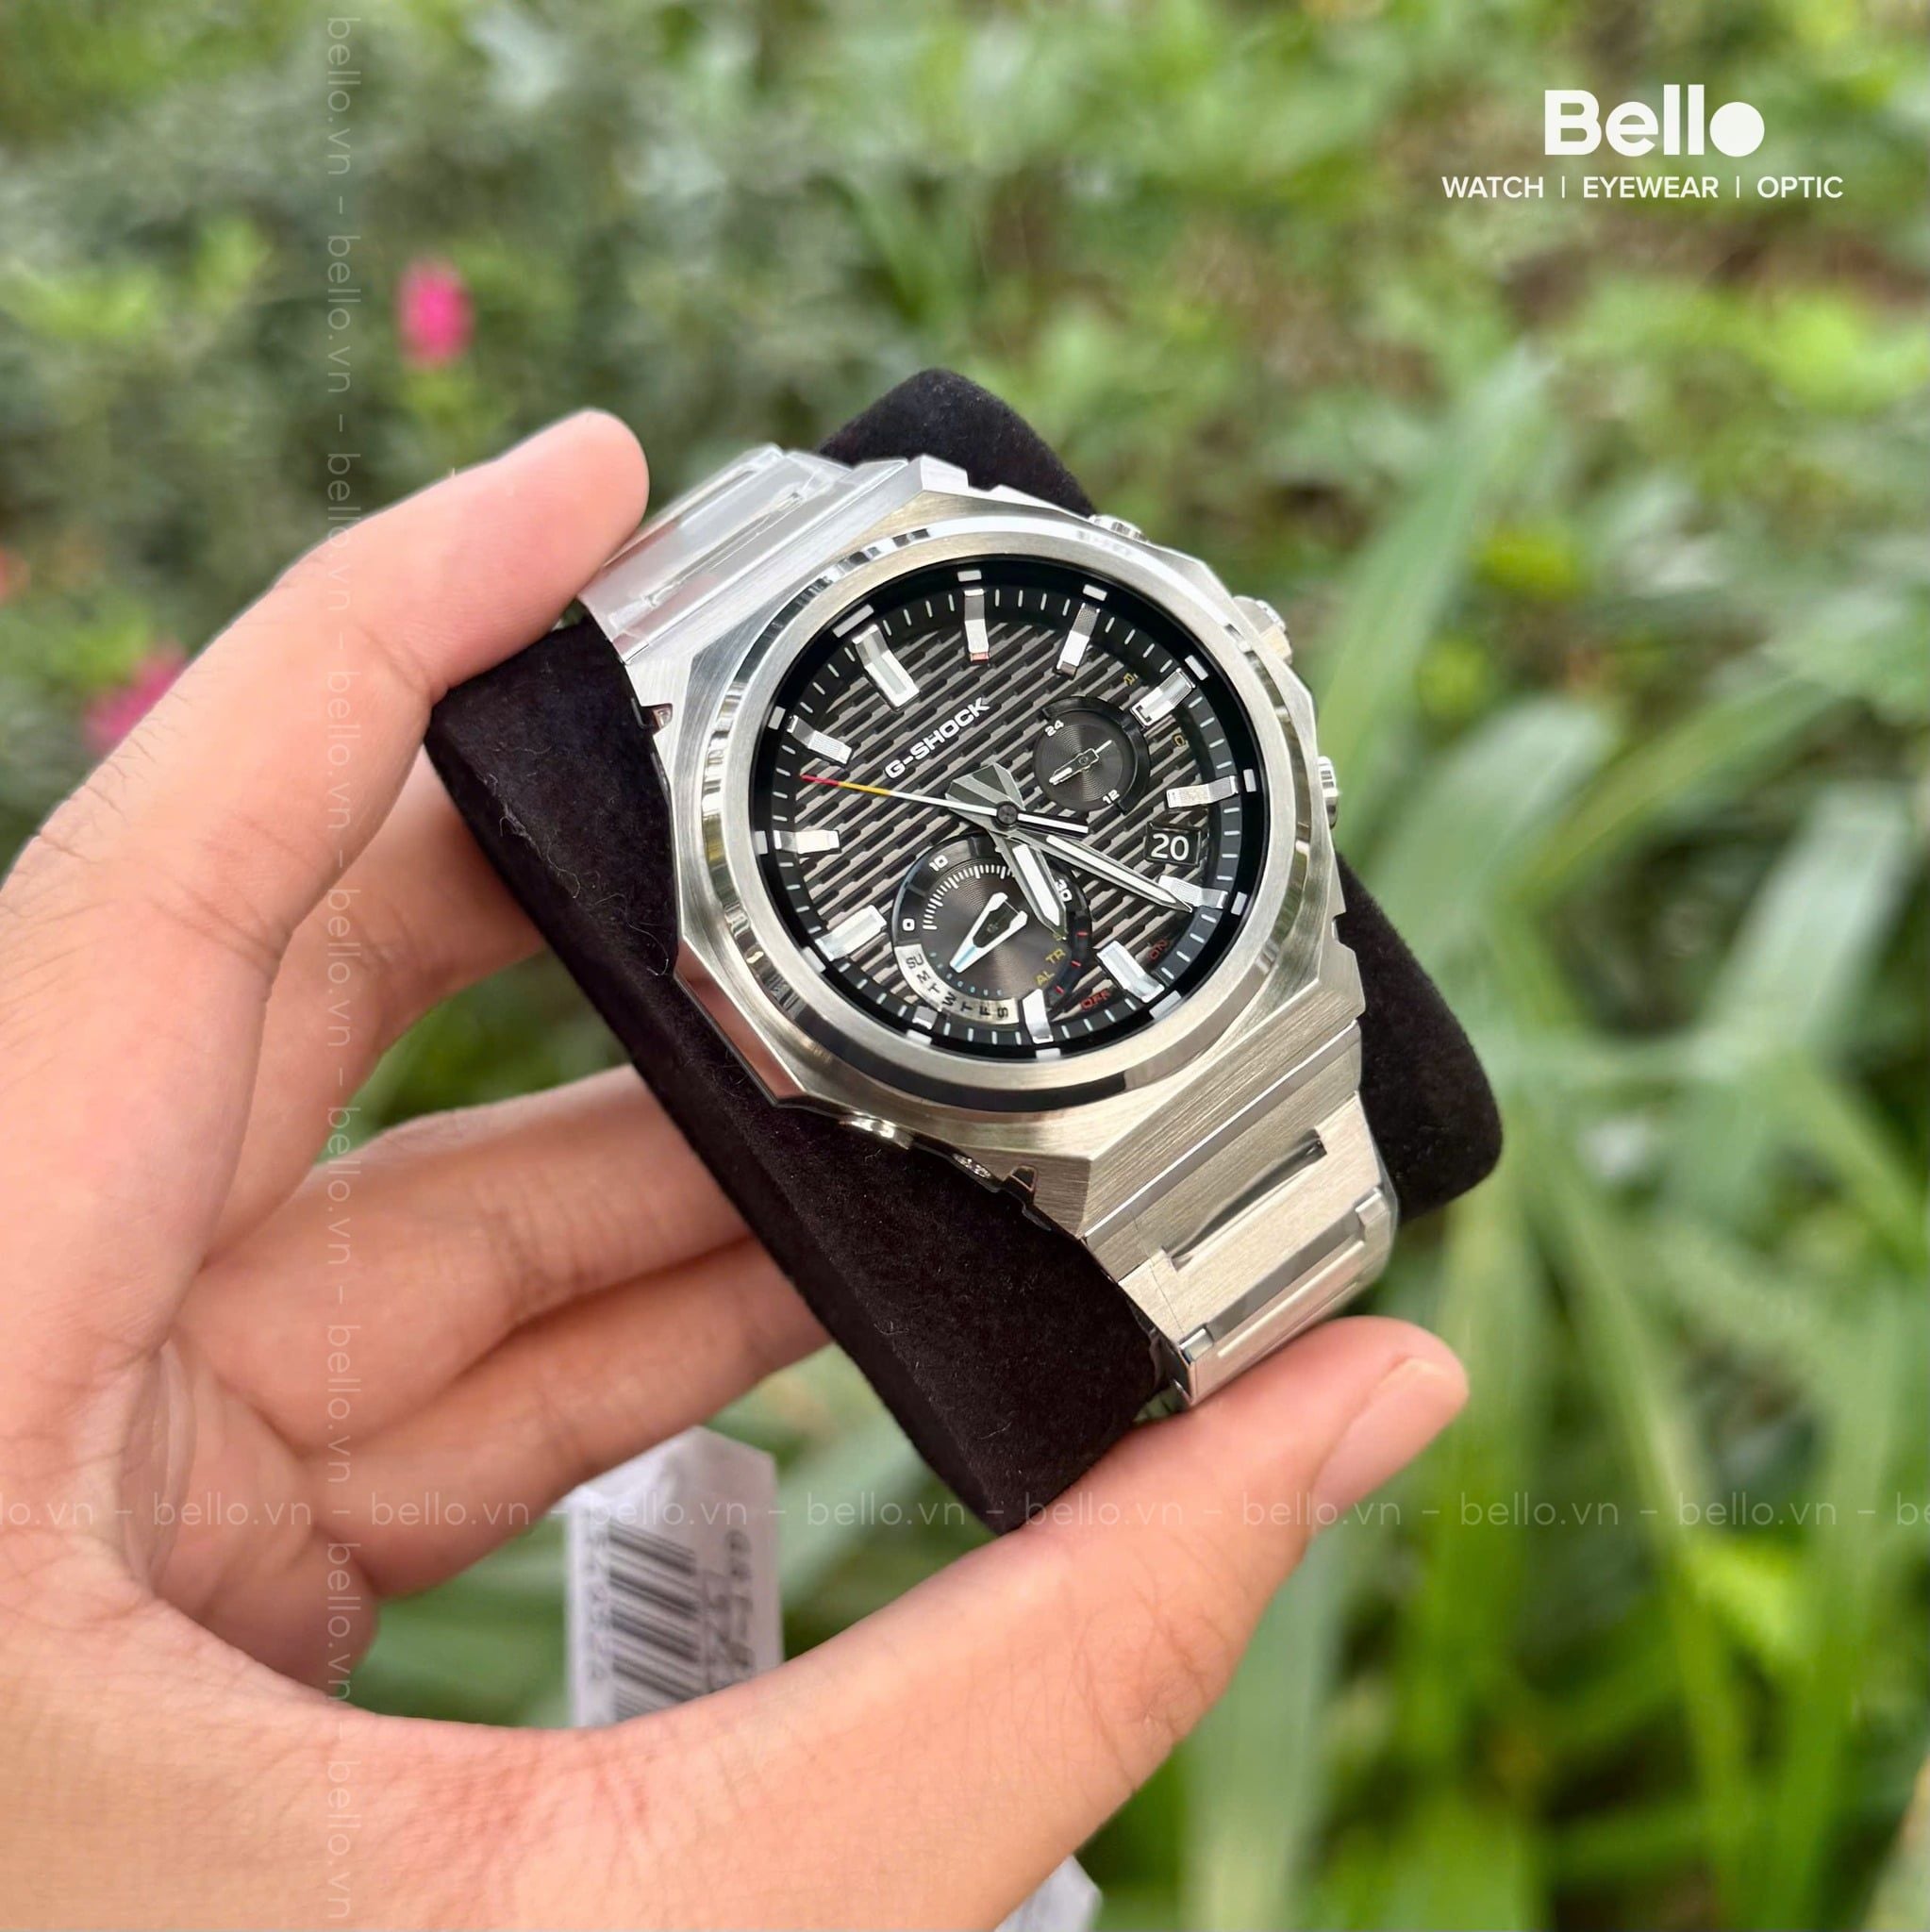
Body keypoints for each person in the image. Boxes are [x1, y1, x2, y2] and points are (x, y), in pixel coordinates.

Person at [0, 414, 1467, 1927]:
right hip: (1048, 1112)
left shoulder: (1010, 580)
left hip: (1259, 987)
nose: (987, 821)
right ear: (763, 1016)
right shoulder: (774, 955)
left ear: (1245, 657)